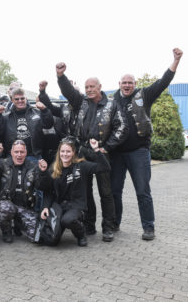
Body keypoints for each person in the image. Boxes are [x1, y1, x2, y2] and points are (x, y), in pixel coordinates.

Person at [111, 48, 183, 240]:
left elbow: (163, 82)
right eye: (124, 82)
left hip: (138, 152)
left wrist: (175, 60)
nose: (127, 85)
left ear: (135, 84)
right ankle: (114, 223)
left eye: (130, 82)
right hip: (116, 154)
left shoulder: (144, 95)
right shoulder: (111, 101)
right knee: (114, 191)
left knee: (143, 191)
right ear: (119, 84)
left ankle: (148, 227)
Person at [55, 62, 128, 242]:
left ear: (100, 87)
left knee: (106, 192)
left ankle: (108, 228)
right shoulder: (82, 102)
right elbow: (68, 92)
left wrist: (106, 147)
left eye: (92, 87)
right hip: (81, 151)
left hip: (101, 153)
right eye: (87, 87)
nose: (89, 90)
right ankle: (89, 225)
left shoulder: (112, 105)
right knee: (85, 191)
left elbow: (122, 128)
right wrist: (61, 76)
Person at [39, 138, 110, 247]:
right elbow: (48, 191)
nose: (65, 154)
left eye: (68, 151)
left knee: (67, 220)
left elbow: (105, 167)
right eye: (62, 151)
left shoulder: (82, 166)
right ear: (59, 153)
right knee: (52, 241)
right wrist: (45, 207)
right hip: (59, 207)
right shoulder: (54, 169)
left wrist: (96, 149)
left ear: (73, 153)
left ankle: (81, 234)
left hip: (76, 206)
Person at [0, 140, 48, 243]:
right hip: (6, 205)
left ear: (26, 153)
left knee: (39, 238)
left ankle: (19, 224)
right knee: (5, 208)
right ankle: (7, 231)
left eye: (22, 152)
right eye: (16, 152)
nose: (19, 155)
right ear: (11, 152)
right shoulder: (3, 163)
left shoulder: (33, 166)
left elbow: (43, 186)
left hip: (26, 207)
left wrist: (43, 172)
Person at [0, 88, 54, 162]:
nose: (20, 101)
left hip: (33, 156)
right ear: (12, 100)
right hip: (12, 157)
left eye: (22, 98)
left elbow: (48, 125)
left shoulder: (36, 113)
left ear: (26, 98)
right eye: (17, 99)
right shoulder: (6, 116)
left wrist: (45, 110)